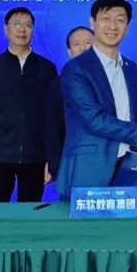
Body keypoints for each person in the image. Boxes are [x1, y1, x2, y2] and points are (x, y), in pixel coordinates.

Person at [56, 0, 137, 196]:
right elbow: (94, 120)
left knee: (128, 217)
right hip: (89, 169)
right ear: (92, 22)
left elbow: (135, 115)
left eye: (120, 20)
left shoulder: (131, 68)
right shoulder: (76, 69)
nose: (113, 26)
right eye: (106, 18)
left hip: (128, 168)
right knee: (88, 218)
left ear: (128, 26)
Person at [0, 7, 58, 203]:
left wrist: (51, 158)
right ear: (6, 29)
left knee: (30, 213)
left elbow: (51, 118)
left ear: (33, 30)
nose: (22, 30)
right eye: (16, 24)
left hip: (35, 157)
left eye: (27, 25)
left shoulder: (47, 69)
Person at [45, 26, 94, 183]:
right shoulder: (57, 85)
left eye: (88, 43)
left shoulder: (113, 79)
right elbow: (51, 128)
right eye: (77, 44)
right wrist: (55, 165)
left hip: (109, 162)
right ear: (69, 51)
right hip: (71, 164)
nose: (83, 48)